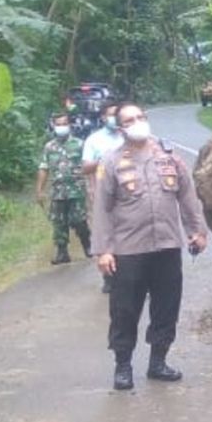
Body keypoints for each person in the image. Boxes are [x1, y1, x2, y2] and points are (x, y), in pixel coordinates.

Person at [91, 103, 208, 391]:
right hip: (128, 249)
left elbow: (187, 195)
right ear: (121, 129)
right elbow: (102, 209)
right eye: (130, 120)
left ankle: (158, 361)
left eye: (141, 117)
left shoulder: (169, 157)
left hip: (167, 246)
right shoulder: (111, 162)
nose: (138, 122)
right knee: (125, 309)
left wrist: (197, 231)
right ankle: (123, 366)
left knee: (166, 307)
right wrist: (103, 250)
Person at [82, 101, 124, 293]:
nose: (114, 118)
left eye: (117, 114)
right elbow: (85, 167)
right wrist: (105, 160)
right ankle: (108, 275)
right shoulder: (94, 140)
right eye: (111, 114)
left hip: (129, 195)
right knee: (105, 233)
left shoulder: (128, 136)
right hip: (102, 195)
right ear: (103, 118)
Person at [36, 113, 89, 265]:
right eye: (59, 124)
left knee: (79, 220)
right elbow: (43, 168)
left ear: (69, 125)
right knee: (59, 222)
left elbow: (87, 165)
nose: (62, 127)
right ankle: (62, 252)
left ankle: (87, 244)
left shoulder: (79, 144)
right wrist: (39, 190)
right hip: (58, 191)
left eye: (64, 123)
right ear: (53, 126)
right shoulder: (49, 147)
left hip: (77, 189)